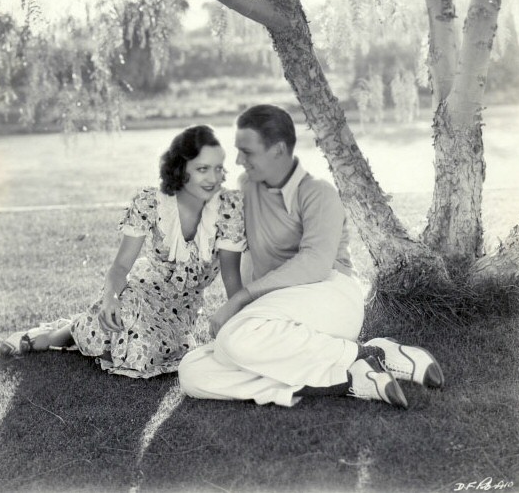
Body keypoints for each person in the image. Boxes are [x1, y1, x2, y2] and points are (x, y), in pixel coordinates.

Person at [178, 105, 444, 408]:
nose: (238, 160)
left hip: (330, 297)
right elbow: (232, 247)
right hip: (274, 316)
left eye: (247, 152)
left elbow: (315, 264)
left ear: (278, 150)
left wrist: (238, 302)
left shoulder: (319, 194)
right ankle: (348, 377)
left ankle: (370, 354)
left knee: (235, 339)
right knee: (192, 370)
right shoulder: (245, 190)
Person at [0, 125, 245, 378]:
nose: (213, 178)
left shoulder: (228, 209)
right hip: (142, 289)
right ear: (181, 169)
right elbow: (120, 267)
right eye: (202, 169)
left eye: (218, 168)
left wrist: (239, 326)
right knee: (117, 321)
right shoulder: (150, 202)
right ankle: (62, 333)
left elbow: (231, 277)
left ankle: (84, 329)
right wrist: (111, 298)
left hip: (182, 307)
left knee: (139, 353)